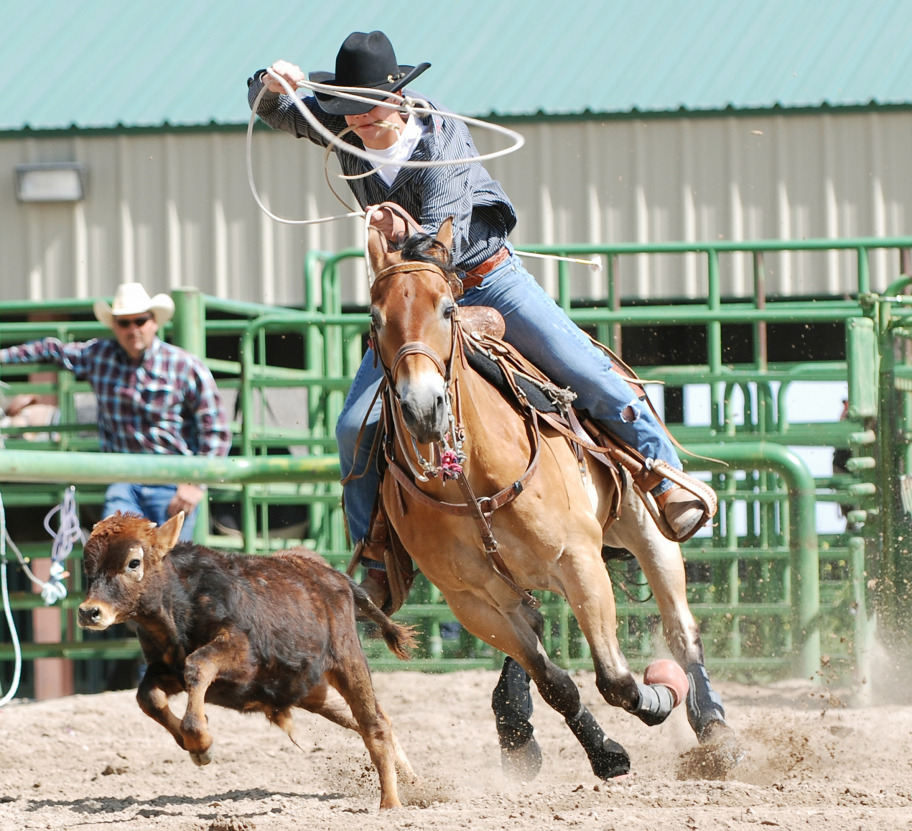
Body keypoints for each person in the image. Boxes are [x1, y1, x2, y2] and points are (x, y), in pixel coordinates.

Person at [248, 30, 711, 605]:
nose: (358, 121)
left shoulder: (443, 138)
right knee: (352, 427)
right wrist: (269, 85)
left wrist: (404, 233)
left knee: (583, 369)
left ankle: (664, 477)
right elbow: (278, 113)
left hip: (486, 276)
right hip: (416, 302)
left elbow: (444, 237)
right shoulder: (344, 120)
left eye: (367, 108)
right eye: (347, 109)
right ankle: (376, 552)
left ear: (396, 97)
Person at [0, 282, 231, 541]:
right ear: (115, 326)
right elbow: (51, 350)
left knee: (170, 565)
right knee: (116, 554)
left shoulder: (184, 366)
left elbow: (217, 430)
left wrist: (196, 484)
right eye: (124, 323)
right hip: (124, 477)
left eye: (140, 321)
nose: (133, 329)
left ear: (154, 322)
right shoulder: (99, 356)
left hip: (173, 479)